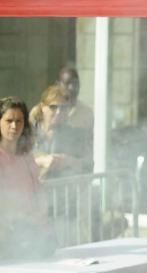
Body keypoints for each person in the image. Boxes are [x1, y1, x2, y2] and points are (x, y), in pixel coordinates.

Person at [0, 96, 48, 260]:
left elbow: (37, 190)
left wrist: (40, 216)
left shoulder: (26, 157)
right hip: (6, 236)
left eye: (19, 121)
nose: (14, 126)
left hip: (30, 233)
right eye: (9, 121)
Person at [29, 84, 92, 179]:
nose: (58, 112)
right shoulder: (27, 132)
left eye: (63, 108)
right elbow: (13, 162)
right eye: (53, 107)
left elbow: (88, 165)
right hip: (30, 190)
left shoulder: (74, 135)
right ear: (42, 107)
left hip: (62, 191)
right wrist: (41, 160)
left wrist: (68, 161)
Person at [55, 67, 95, 136]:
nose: (71, 88)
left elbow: (89, 142)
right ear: (57, 85)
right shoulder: (45, 110)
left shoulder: (86, 114)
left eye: (75, 83)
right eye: (67, 83)